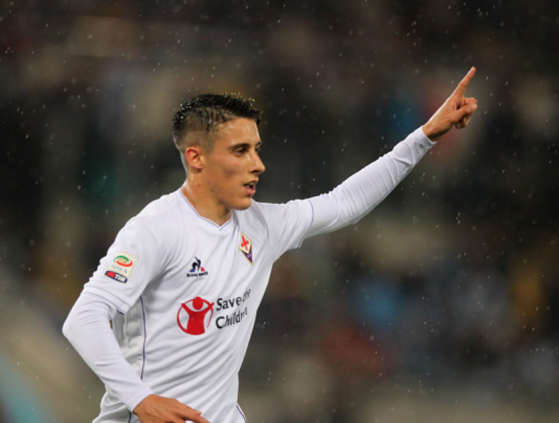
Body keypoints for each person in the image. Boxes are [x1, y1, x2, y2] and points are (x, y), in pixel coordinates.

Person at [63, 67, 478, 423]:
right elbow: (83, 318)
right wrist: (142, 400)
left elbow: (344, 202)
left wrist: (424, 136)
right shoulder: (156, 230)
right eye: (240, 151)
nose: (257, 164)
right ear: (196, 158)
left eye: (256, 150)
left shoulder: (262, 225)